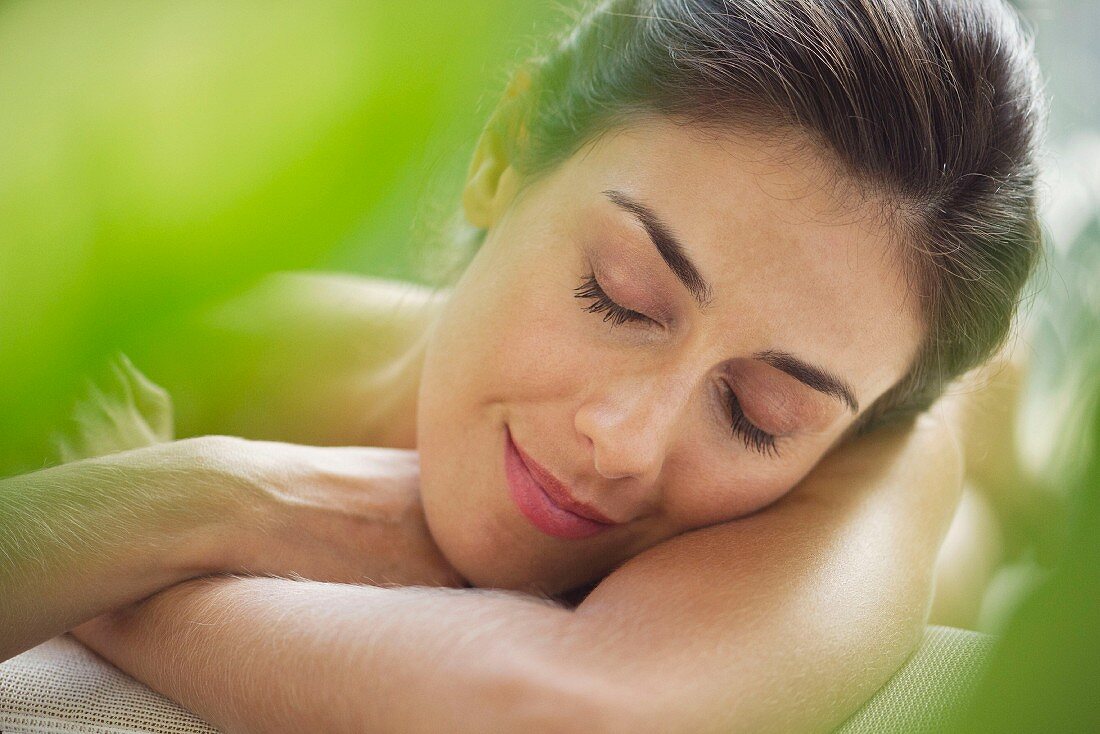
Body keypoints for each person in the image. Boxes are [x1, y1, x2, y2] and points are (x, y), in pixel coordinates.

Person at [0, 0, 1045, 730]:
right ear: (502, 152)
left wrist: (208, 513)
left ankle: (1012, 463)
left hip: (952, 532)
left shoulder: (890, 444)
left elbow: (567, 713)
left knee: (981, 523)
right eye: (618, 295)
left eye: (758, 413)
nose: (622, 439)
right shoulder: (215, 353)